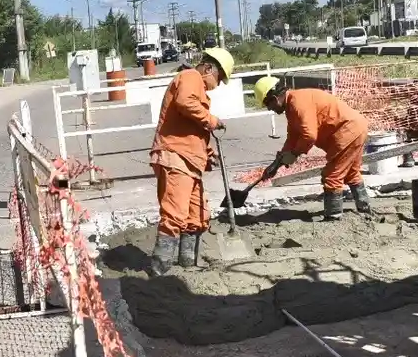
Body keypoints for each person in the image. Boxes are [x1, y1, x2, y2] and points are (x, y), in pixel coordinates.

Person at [149, 47, 234, 273]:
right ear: (208, 68)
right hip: (176, 156)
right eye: (219, 78)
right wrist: (211, 120)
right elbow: (185, 103)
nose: (217, 85)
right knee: (175, 214)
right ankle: (161, 270)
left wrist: (206, 152)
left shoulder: (199, 88)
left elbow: (192, 127)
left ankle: (188, 264)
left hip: (190, 161)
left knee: (196, 216)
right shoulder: (190, 77)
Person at [253, 77, 370, 220]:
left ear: (274, 98)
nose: (270, 109)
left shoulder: (298, 104)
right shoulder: (292, 106)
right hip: (354, 128)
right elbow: (293, 137)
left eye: (268, 105)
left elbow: (309, 136)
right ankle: (364, 210)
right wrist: (276, 164)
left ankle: (333, 218)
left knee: (332, 176)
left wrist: (295, 153)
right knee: (351, 173)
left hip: (347, 131)